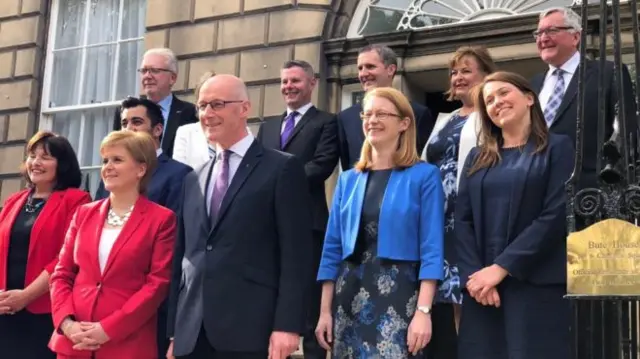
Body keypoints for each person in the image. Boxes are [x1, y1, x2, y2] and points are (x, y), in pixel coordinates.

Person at [166, 74, 314, 359]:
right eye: (202, 106)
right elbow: (183, 257)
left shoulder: (282, 169)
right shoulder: (192, 179)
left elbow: (296, 255)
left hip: (251, 331)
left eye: (217, 104)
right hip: (193, 335)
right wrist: (175, 330)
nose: (207, 114)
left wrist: (287, 325)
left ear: (244, 108)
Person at [315, 87, 444, 358]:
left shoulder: (425, 176)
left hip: (401, 295)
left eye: (382, 114)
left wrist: (423, 311)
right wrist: (324, 312)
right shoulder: (348, 178)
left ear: (404, 123)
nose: (372, 120)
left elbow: (432, 248)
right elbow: (332, 248)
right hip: (348, 295)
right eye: (367, 114)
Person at [455, 71, 573, 359]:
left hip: (536, 286)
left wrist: (501, 268)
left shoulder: (558, 148)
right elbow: (462, 220)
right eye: (489, 100)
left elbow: (555, 215)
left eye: (504, 93)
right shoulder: (476, 157)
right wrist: (476, 278)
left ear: (529, 98)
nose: (497, 102)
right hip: (483, 291)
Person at [49, 130, 176, 359]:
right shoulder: (83, 214)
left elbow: (157, 284)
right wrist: (67, 324)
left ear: (141, 169)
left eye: (117, 160)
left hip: (126, 345)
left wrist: (109, 329)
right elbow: (61, 274)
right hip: (73, 343)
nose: (107, 167)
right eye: (105, 160)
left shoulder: (162, 219)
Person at [256, 59, 339, 359]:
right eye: (285, 82)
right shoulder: (267, 127)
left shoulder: (327, 122)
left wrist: (279, 181)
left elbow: (322, 165)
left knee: (310, 302)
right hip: (269, 226)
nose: (289, 87)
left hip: (309, 224)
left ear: (312, 83)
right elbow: (256, 167)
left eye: (296, 81)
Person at [421, 46, 496, 345]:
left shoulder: (493, 115)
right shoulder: (445, 119)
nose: (458, 77)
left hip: (472, 216)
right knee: (448, 301)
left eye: (466, 70)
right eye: (454, 72)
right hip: (438, 217)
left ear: (486, 76)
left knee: (471, 297)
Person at [0, 131, 90, 359]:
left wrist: (26, 296)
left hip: (44, 310)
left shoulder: (77, 200)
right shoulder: (13, 201)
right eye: (32, 155)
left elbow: (66, 257)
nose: (36, 162)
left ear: (62, 164)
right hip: (4, 310)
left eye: (46, 157)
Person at [531, 6, 637, 191]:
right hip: (537, 189)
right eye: (538, 33)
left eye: (552, 31)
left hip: (589, 193)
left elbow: (627, 134)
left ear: (575, 37)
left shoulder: (608, 73)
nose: (543, 38)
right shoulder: (533, 84)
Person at [337, 45, 436, 170]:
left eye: (370, 66)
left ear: (391, 69)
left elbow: (421, 159)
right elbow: (347, 165)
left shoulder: (417, 113)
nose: (363, 74)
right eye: (360, 68)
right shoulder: (346, 117)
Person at [97, 97, 193, 216]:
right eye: (124, 123)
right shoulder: (110, 173)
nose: (128, 129)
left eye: (137, 122)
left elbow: (176, 227)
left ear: (157, 130)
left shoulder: (179, 173)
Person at [113, 48, 198, 158]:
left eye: (154, 70)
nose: (147, 76)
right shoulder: (125, 112)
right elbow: (114, 151)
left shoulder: (190, 112)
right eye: (144, 71)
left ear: (172, 78)